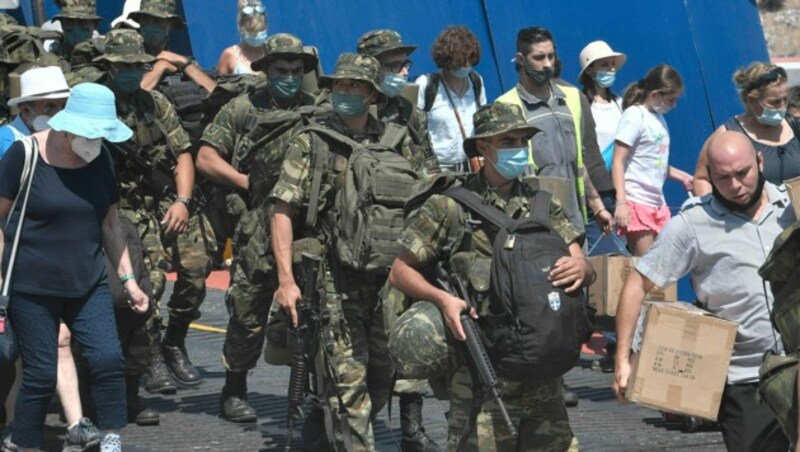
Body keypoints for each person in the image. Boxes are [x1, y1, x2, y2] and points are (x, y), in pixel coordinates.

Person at [388, 101, 590, 450]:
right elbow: (400, 271)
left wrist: (583, 269)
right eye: (508, 141)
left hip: (540, 365)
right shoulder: (450, 206)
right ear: (483, 147)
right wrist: (443, 300)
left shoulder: (540, 204)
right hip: (483, 370)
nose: (517, 149)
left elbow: (579, 260)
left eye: (521, 141)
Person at [270, 52, 436, 451]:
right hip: (331, 282)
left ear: (372, 93)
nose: (345, 92)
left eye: (355, 86)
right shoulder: (311, 141)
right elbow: (281, 208)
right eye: (339, 85)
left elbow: (429, 200)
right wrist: (286, 281)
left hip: (386, 284)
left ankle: (320, 432)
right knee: (349, 394)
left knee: (381, 382)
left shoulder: (397, 141)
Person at [614, 131, 795, 452]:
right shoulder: (693, 225)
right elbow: (636, 284)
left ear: (760, 161)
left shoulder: (791, 207)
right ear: (709, 176)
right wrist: (623, 359)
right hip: (747, 382)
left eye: (743, 174)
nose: (737, 186)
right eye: (724, 178)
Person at [0, 82, 148, 452]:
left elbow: (111, 224)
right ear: (66, 124)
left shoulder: (101, 159)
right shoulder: (24, 154)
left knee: (108, 359)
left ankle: (111, 439)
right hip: (31, 284)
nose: (95, 139)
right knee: (39, 373)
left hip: (88, 280)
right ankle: (25, 443)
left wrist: (128, 280)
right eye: (89, 132)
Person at [196, 32, 320, 423]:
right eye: (281, 70)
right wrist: (245, 182)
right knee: (248, 311)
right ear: (266, 70)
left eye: (296, 71)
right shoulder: (242, 109)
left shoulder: (316, 111)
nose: (289, 76)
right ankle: (234, 388)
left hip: (305, 227)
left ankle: (308, 393)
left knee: (312, 311)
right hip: (257, 225)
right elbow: (205, 157)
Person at [95, 29, 213, 391]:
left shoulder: (154, 104)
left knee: (196, 267)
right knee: (153, 281)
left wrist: (182, 201)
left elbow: (183, 154)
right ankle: (150, 356)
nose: (130, 72)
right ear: (109, 67)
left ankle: (174, 340)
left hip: (163, 196)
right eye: (123, 66)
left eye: (136, 65)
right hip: (122, 204)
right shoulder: (98, 104)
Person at [0, 65, 106, 447]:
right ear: (26, 110)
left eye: (62, 104)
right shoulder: (8, 143)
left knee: (55, 344)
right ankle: (16, 425)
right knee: (18, 354)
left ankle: (74, 421)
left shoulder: (73, 143)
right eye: (49, 106)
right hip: (14, 268)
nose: (57, 113)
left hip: (55, 270)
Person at [356, 28, 441, 452]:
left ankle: (411, 427)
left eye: (404, 64)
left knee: (409, 333)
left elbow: (429, 170)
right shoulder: (347, 112)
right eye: (393, 65)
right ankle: (357, 420)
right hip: (357, 245)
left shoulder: (410, 114)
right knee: (362, 345)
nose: (403, 71)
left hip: (404, 242)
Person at [497, 26, 612, 237]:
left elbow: (578, 162)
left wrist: (597, 205)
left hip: (575, 223)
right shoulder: (506, 106)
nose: (548, 64)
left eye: (551, 56)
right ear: (520, 59)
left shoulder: (573, 98)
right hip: (534, 227)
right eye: (539, 58)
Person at [612, 64, 694, 256]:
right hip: (636, 201)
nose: (673, 105)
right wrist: (621, 203)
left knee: (663, 268)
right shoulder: (635, 115)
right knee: (648, 268)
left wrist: (683, 177)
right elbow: (618, 161)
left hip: (657, 203)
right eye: (671, 100)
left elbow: (655, 161)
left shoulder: (658, 118)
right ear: (656, 94)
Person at [693, 63, 800, 195]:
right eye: (775, 102)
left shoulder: (794, 125)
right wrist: (716, 213)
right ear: (752, 101)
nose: (783, 107)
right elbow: (701, 178)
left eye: (785, 100)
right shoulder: (728, 133)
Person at [577, 40, 628, 255]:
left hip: (623, 189)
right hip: (597, 188)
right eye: (604, 65)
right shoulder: (582, 104)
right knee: (604, 253)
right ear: (590, 70)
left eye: (612, 64)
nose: (610, 69)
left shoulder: (622, 103)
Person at [415, 26, 487, 173]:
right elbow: (414, 131)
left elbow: (484, 122)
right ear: (447, 59)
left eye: (470, 59)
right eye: (461, 60)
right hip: (439, 169)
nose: (466, 65)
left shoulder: (476, 81)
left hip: (472, 167)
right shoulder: (427, 85)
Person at [129, 0, 216, 93]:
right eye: (145, 20)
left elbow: (215, 92)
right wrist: (160, 66)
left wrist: (185, 63)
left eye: (157, 20)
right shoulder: (128, 58)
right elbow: (131, 96)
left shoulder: (179, 61)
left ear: (170, 24)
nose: (150, 25)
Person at [216, 0, 268, 76]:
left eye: (260, 30)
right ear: (241, 29)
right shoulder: (230, 54)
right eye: (252, 32)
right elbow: (215, 86)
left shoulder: (273, 52)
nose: (257, 35)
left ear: (266, 26)